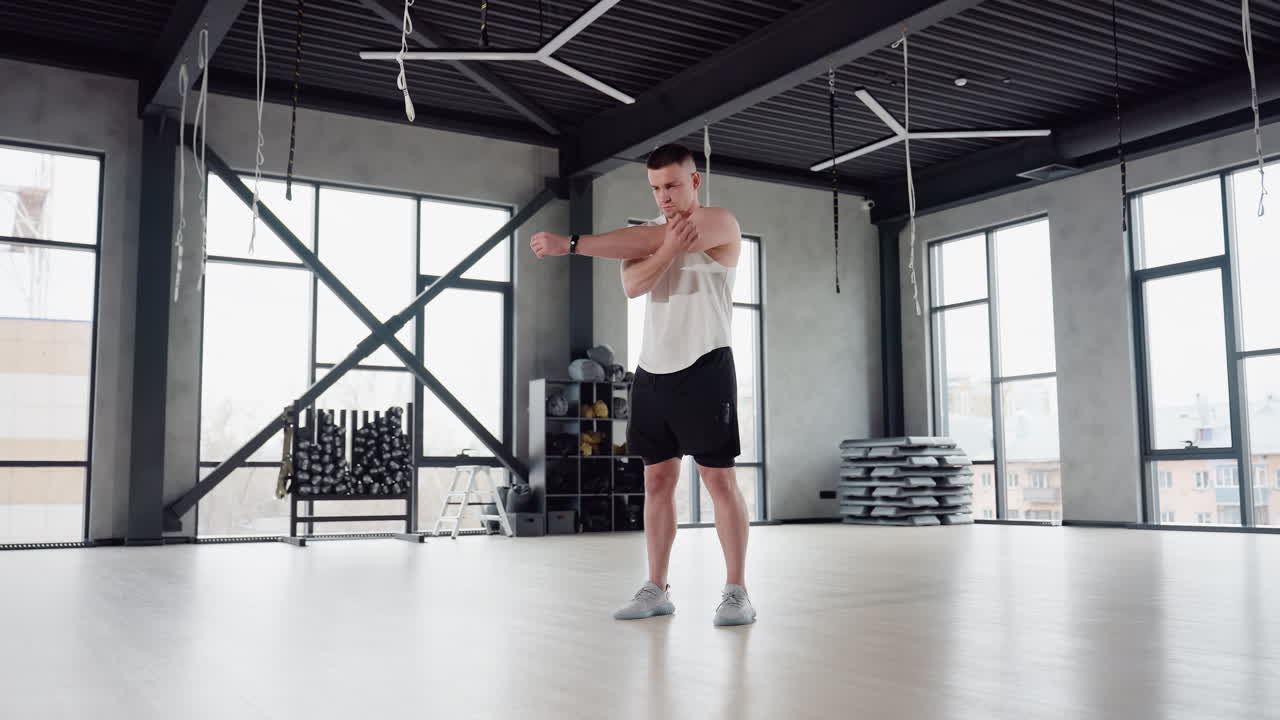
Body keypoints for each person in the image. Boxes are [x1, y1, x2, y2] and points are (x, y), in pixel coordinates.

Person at [530, 143, 755, 627]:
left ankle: (737, 590)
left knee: (717, 478)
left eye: (672, 185)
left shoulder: (720, 222)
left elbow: (652, 245)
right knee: (656, 479)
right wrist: (666, 248)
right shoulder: (643, 237)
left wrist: (572, 244)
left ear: (694, 182)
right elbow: (633, 287)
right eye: (655, 188)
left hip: (707, 362)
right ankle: (656, 588)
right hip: (653, 369)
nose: (665, 197)